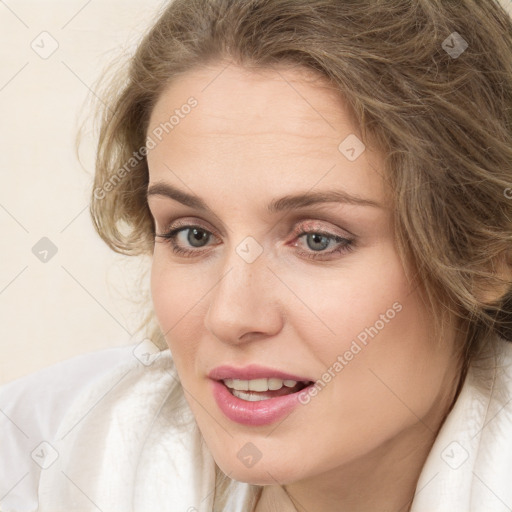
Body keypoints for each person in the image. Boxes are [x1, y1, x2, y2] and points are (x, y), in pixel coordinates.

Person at [2, 0, 512, 510]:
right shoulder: (44, 461)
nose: (231, 316)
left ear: (491, 254)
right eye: (193, 235)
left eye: (318, 239)